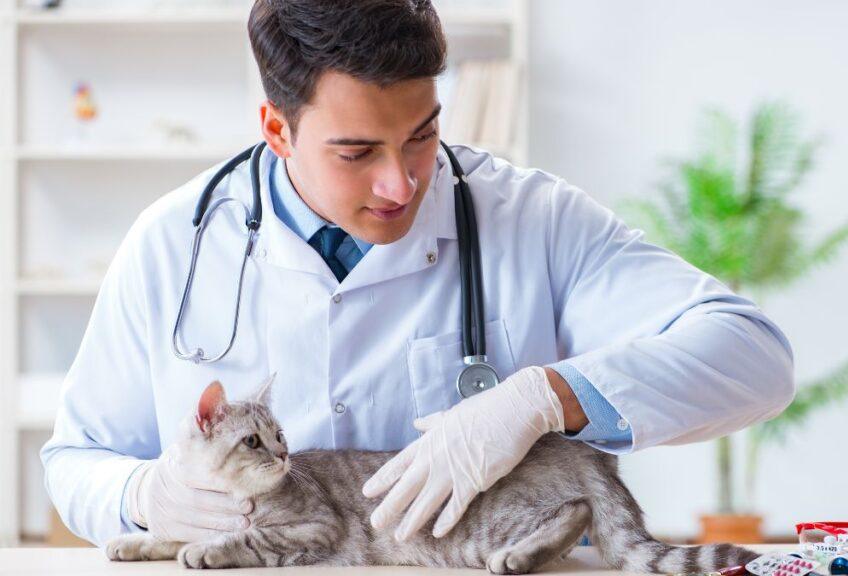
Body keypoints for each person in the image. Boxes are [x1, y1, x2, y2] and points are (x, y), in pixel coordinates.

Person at [40, 0, 795, 547]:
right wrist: (144, 495)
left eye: (423, 134)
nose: (402, 183)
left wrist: (544, 398)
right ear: (277, 128)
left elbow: (754, 355)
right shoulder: (174, 240)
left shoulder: (532, 217)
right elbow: (75, 461)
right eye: (357, 152)